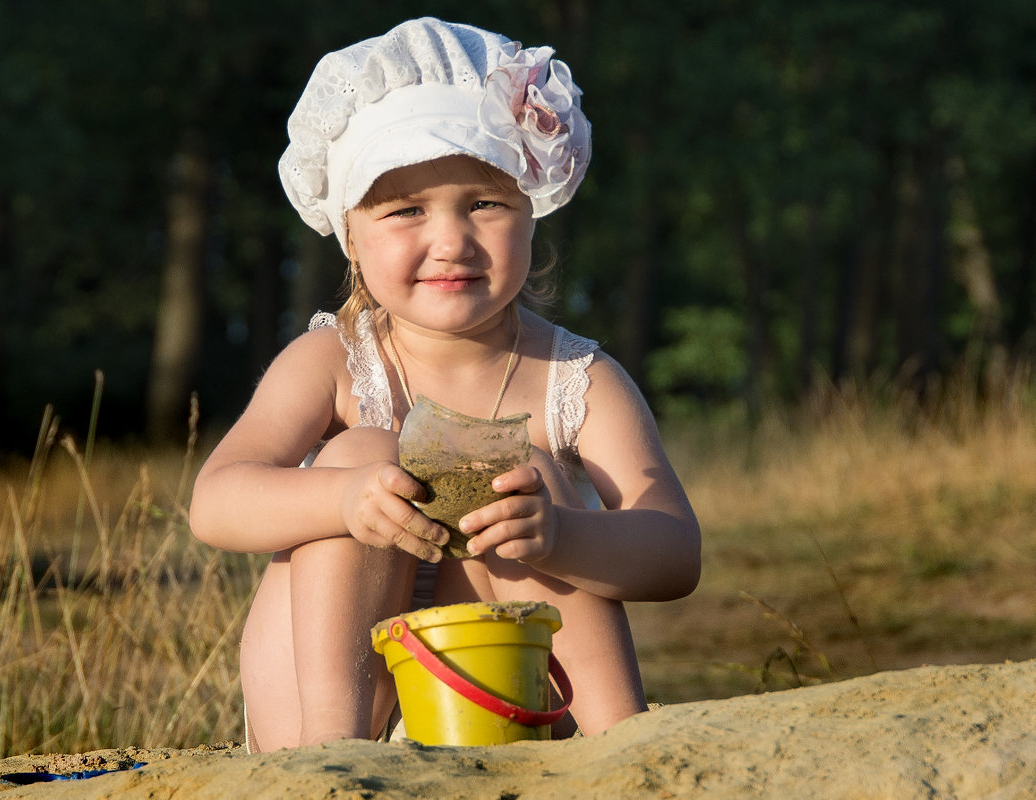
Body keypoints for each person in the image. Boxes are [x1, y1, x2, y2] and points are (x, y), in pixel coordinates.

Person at [189, 17, 701, 753]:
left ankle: (624, 751)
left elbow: (676, 552)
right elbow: (215, 502)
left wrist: (561, 536)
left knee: (537, 480)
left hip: (507, 711)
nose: (453, 240)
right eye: (404, 211)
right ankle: (332, 763)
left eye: (485, 204)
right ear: (352, 241)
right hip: (338, 711)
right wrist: (339, 497)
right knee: (363, 452)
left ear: (533, 214)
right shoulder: (333, 362)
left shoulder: (574, 377)